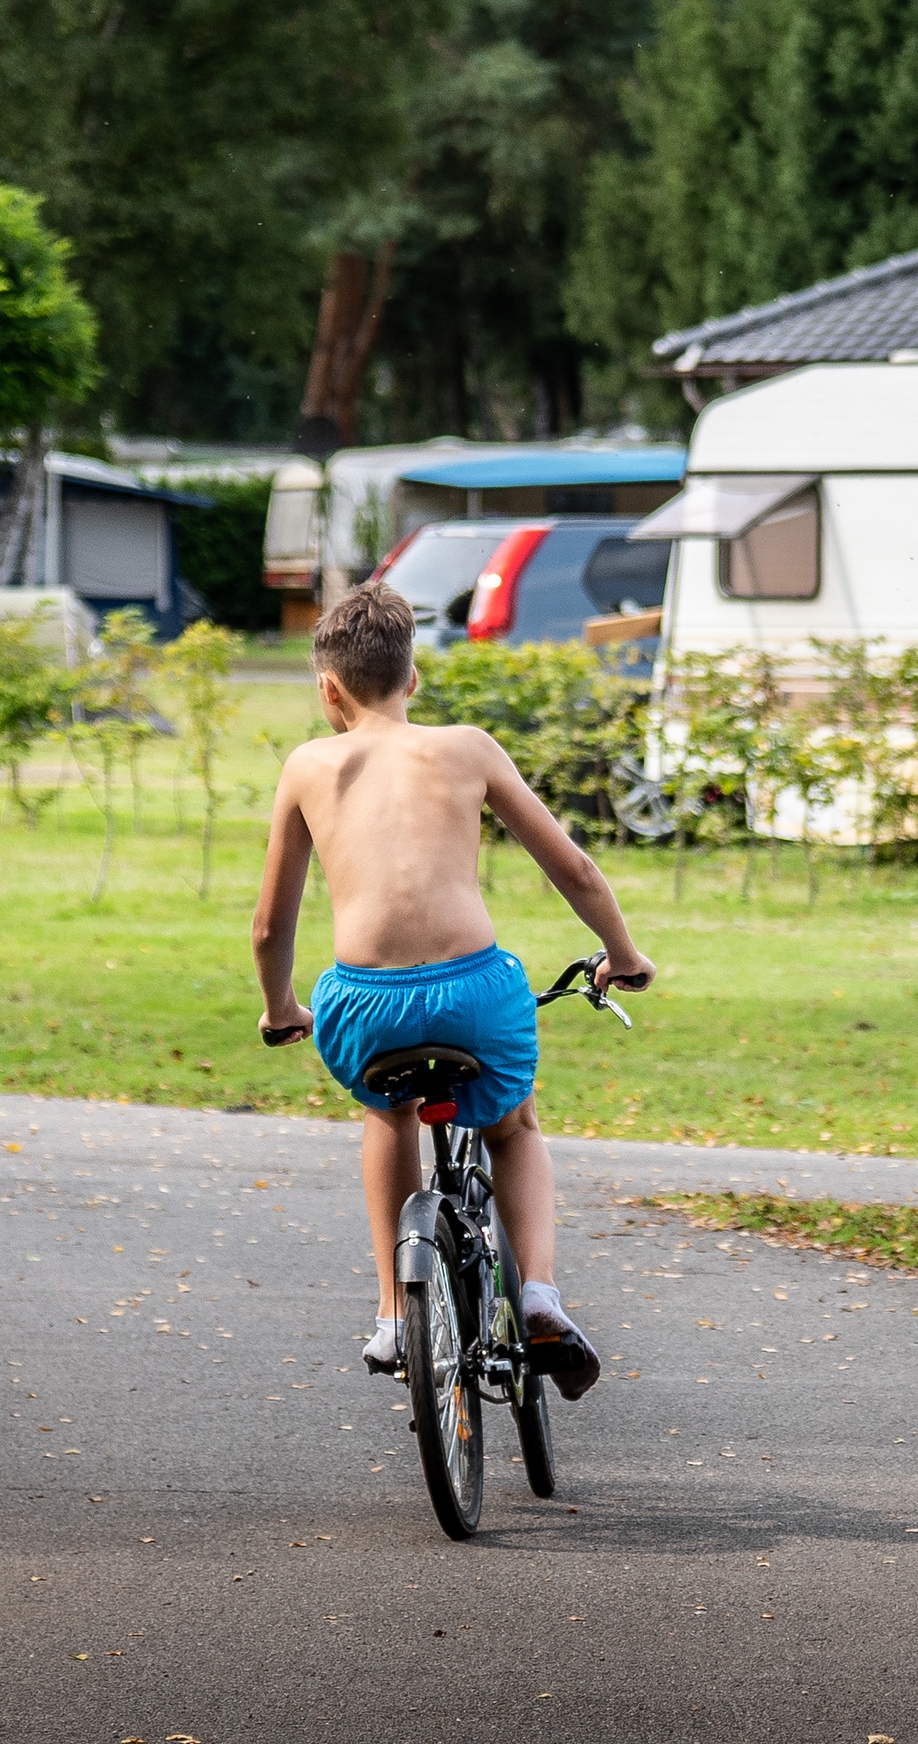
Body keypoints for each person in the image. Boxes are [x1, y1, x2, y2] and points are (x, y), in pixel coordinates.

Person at [251, 582, 654, 1399]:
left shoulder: (308, 766)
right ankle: (538, 1293)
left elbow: (269, 926)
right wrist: (622, 953)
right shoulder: (467, 747)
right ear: (414, 680)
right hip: (475, 993)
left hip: (362, 1003)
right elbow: (572, 868)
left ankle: (394, 1316)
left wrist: (281, 1009)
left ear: (329, 689)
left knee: (385, 1110)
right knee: (514, 1125)